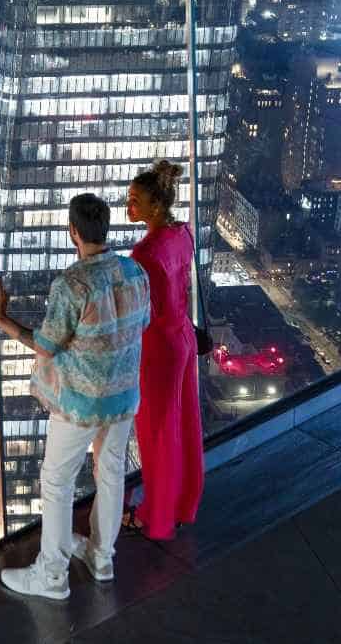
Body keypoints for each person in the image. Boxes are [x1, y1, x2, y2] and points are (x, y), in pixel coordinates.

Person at [0, 192, 151, 601]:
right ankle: (102, 558)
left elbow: (46, 346)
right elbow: (141, 324)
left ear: (73, 231)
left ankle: (52, 576)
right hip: (124, 396)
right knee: (110, 473)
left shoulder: (72, 285)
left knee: (56, 482)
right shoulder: (135, 273)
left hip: (80, 402)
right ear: (105, 228)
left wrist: (1, 319)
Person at [125, 159, 205, 539]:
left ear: (156, 204)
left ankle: (153, 515)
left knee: (157, 433)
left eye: (135, 200)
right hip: (184, 337)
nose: (129, 208)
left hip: (158, 346)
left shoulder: (144, 254)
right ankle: (183, 502)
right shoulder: (183, 234)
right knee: (184, 423)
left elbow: (146, 312)